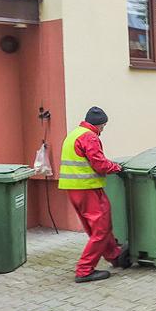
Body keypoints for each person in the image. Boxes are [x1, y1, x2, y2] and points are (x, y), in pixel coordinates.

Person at [58, 107, 130, 283]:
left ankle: (115, 256)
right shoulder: (90, 136)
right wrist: (118, 168)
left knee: (97, 228)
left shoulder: (74, 134)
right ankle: (84, 270)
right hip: (88, 188)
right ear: (101, 124)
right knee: (101, 228)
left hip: (73, 188)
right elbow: (99, 164)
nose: (103, 129)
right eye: (104, 126)